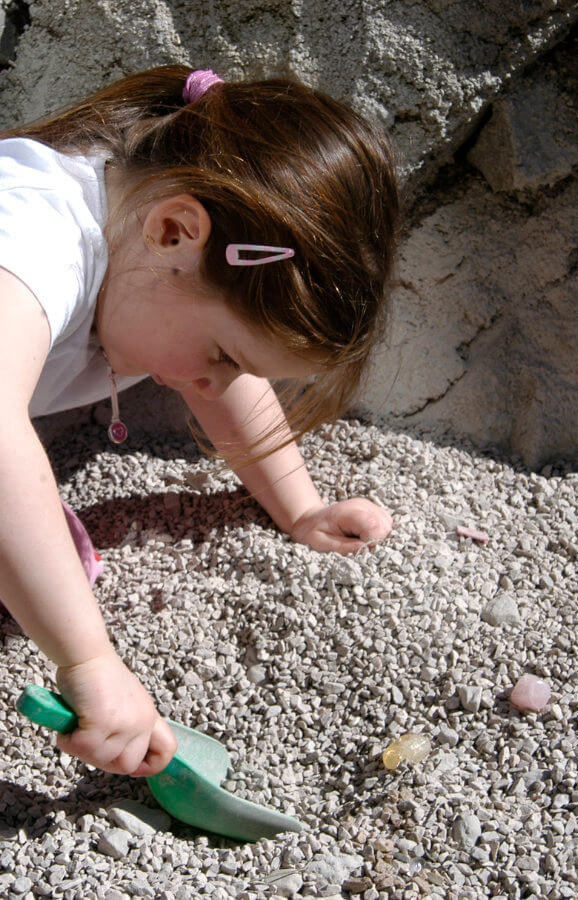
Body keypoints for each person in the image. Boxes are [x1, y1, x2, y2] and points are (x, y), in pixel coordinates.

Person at [0, 66, 399, 777]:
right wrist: (88, 659)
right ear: (174, 230)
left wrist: (300, 508)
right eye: (223, 354)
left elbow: (221, 387)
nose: (213, 382)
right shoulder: (30, 233)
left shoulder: (149, 255)